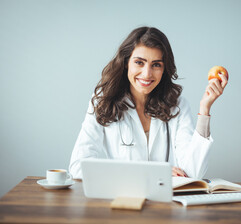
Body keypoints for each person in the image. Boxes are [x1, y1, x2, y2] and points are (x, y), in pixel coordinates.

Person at [69, 27, 227, 179]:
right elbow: (78, 167)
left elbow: (193, 172)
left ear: (164, 68)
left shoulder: (177, 105)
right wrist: (151, 172)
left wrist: (204, 109)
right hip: (125, 200)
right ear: (126, 62)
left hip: (167, 203)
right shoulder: (102, 101)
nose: (147, 74)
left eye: (156, 65)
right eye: (139, 62)